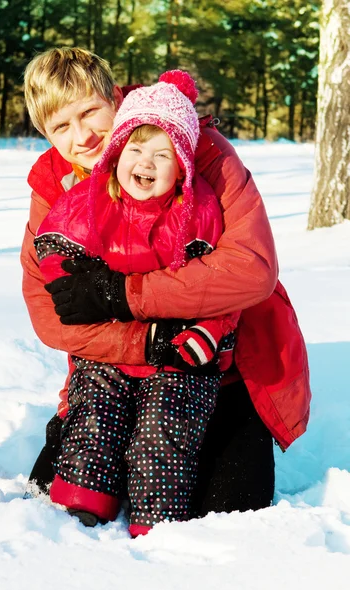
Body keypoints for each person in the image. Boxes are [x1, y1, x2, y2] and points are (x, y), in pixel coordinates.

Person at [21, 47, 311, 518]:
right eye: (61, 126)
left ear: (114, 98)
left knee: (228, 513)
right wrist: (148, 342)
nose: (84, 136)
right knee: (56, 502)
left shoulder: (197, 145)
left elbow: (251, 268)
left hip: (219, 367)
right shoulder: (55, 186)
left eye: (91, 112)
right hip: (112, 372)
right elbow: (51, 314)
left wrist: (124, 295)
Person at [34, 71, 240, 536]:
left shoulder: (200, 208)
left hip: (182, 355)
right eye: (135, 149)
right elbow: (55, 245)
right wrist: (76, 285)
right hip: (110, 351)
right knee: (95, 417)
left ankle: (156, 521)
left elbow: (228, 284)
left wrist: (206, 332)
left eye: (162, 154)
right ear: (118, 153)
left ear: (183, 164)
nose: (145, 162)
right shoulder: (92, 197)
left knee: (163, 433)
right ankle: (85, 503)